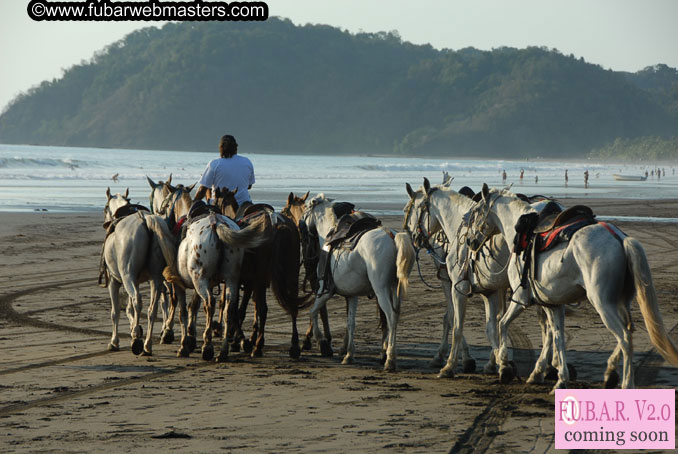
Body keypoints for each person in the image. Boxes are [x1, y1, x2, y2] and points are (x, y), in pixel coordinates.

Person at [194, 135, 255, 209]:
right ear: (236, 148)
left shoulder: (214, 164)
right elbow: (249, 186)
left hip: (220, 205)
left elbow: (202, 190)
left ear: (221, 148)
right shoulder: (247, 162)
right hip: (244, 205)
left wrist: (193, 204)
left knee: (207, 188)